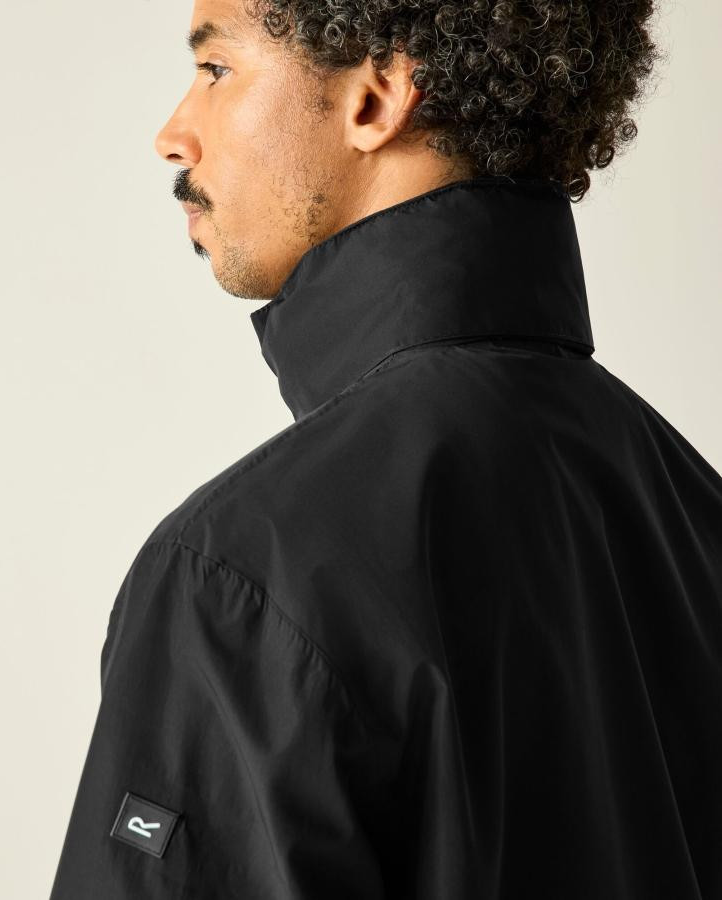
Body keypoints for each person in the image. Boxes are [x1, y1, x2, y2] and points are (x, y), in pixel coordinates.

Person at [50, 1, 722, 897]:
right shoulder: (691, 510)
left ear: (375, 98)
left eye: (217, 71)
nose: (174, 135)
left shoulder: (239, 581)